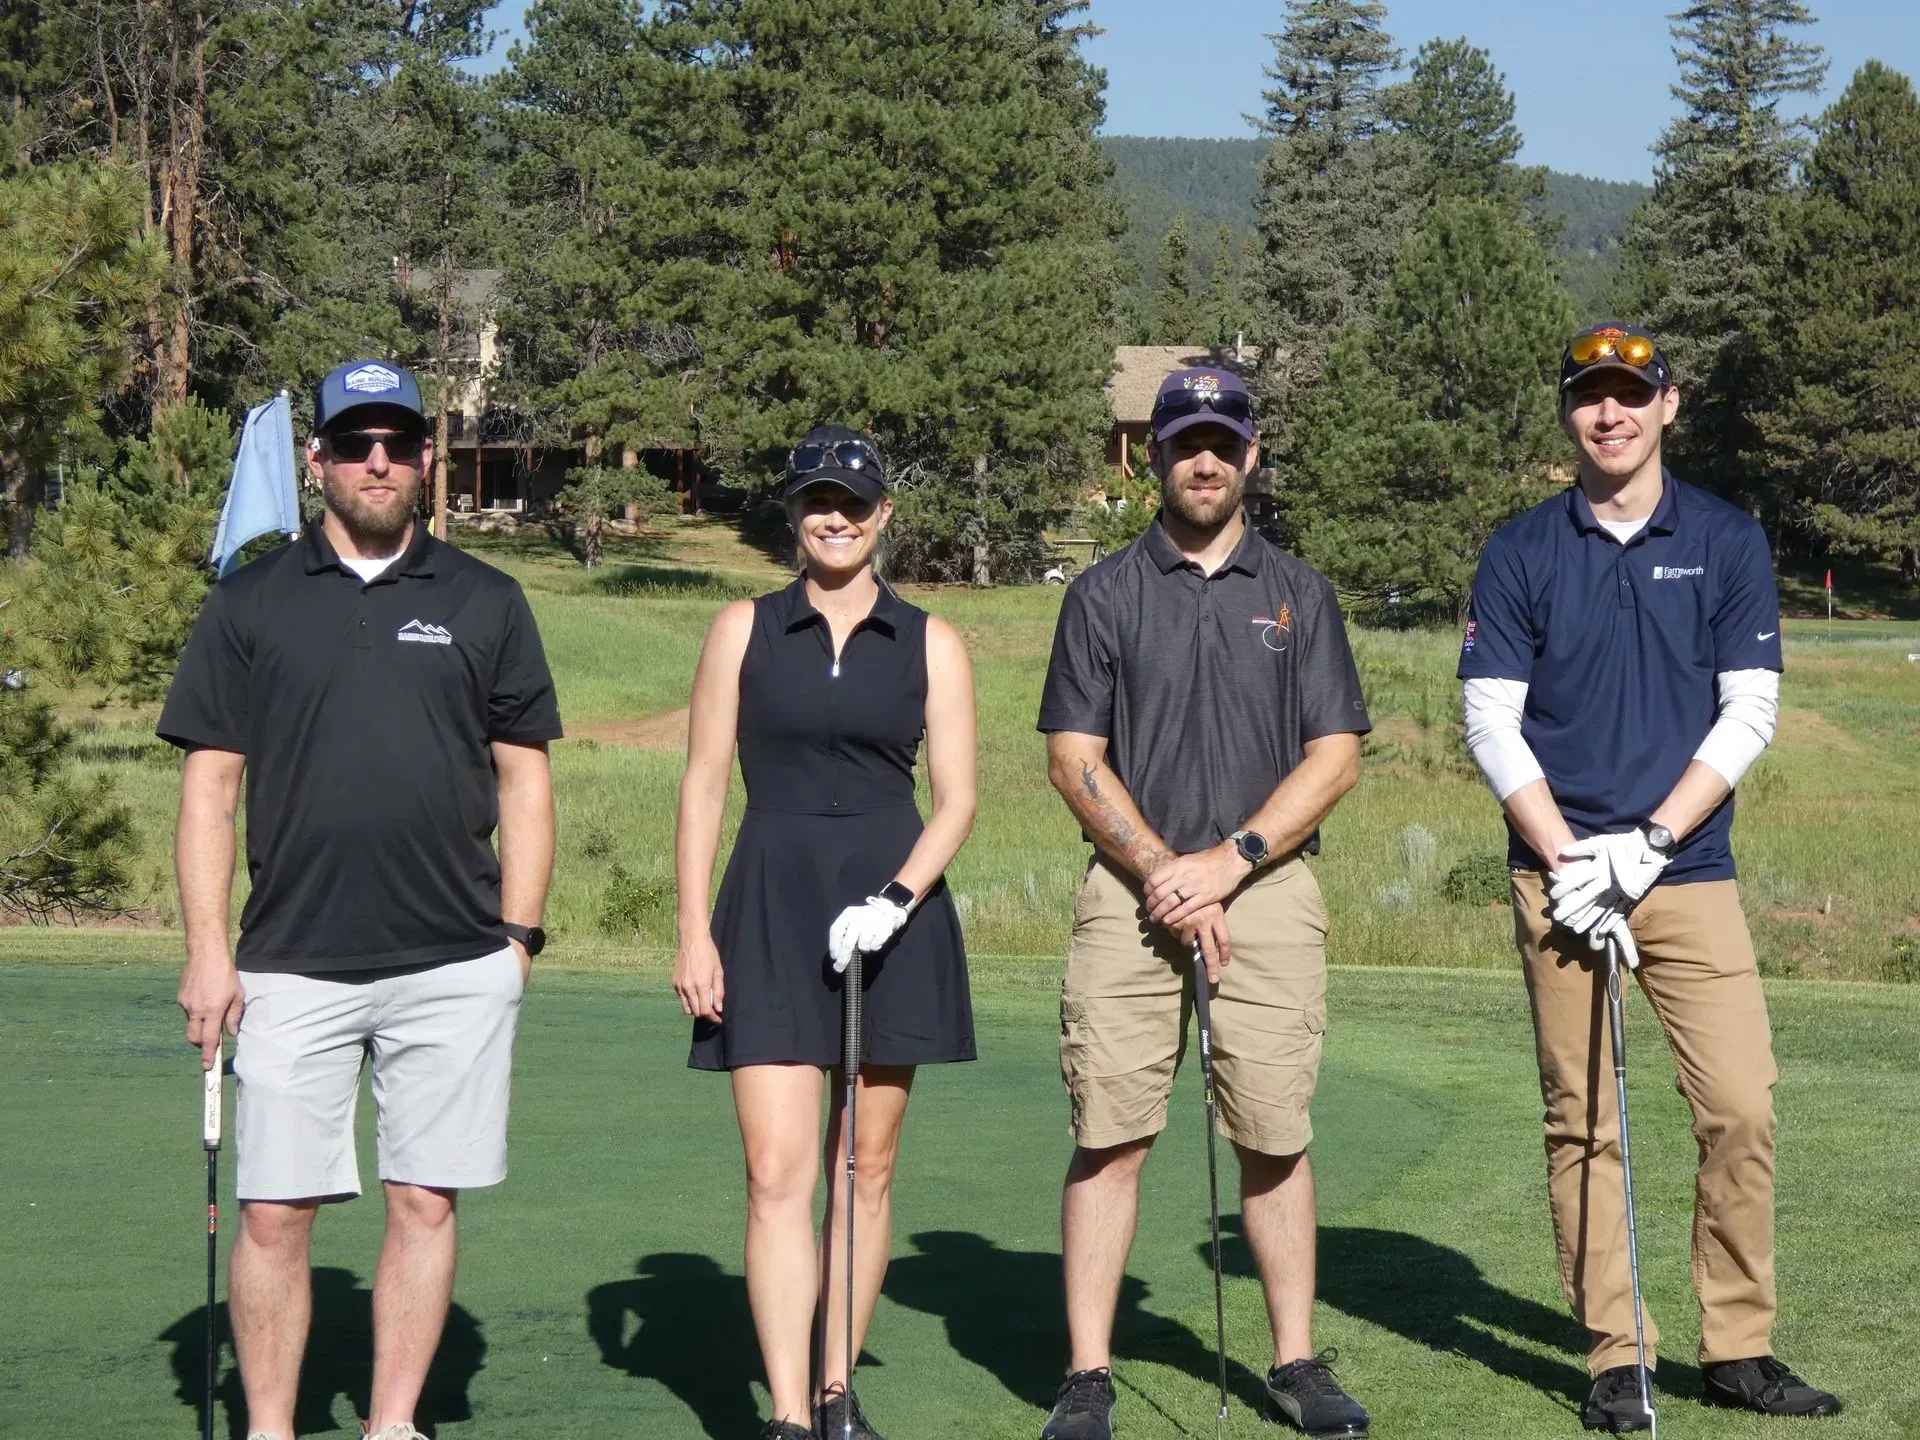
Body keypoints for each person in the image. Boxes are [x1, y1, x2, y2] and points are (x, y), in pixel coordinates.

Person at [165, 359, 562, 1440]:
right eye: (353, 443)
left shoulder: (487, 599)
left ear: (428, 456)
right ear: (317, 460)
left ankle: (393, 1427)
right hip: (289, 960)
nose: (375, 460)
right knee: (275, 1212)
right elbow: (209, 787)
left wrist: (517, 939)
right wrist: (209, 951)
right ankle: (273, 1429)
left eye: (395, 441)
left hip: (453, 963)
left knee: (425, 1201)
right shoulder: (249, 602)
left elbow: (525, 780)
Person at [1458, 323, 1843, 1431]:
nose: (1610, 414)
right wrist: (1572, 856)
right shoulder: (1523, 548)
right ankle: (1616, 1356)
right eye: (1590, 397)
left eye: (1631, 394)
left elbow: (1749, 711)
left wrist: (1652, 844)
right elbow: (1492, 720)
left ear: (1668, 404)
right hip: (1562, 877)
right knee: (1585, 1121)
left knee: (1739, 1105)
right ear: (1569, 413)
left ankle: (1739, 1347)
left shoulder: (1723, 539)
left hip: (1687, 868)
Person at [1035, 368, 1374, 1440]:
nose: (1205, 459)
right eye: (1186, 441)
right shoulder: (1102, 593)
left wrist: (1225, 864)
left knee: (1272, 1133)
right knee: (1110, 1132)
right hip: (1130, 895)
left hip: (1265, 891)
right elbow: (1072, 757)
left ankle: (1296, 1362)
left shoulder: (1300, 593)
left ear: (1251, 456)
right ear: (1158, 452)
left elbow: (1337, 756)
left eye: (1224, 441)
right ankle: (1088, 1375)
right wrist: (1163, 874)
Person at [672, 424, 978, 1440]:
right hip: (767, 904)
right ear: (793, 515)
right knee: (776, 1172)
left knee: (867, 1167)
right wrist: (691, 928)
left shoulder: (932, 640)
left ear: (883, 514)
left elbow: (959, 801)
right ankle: (791, 1415)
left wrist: (895, 900)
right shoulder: (742, 630)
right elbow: (707, 780)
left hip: (896, 913)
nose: (833, 518)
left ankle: (840, 1386)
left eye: (852, 502)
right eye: (815, 502)